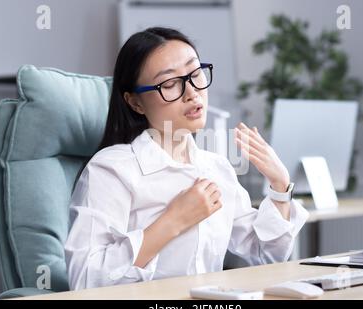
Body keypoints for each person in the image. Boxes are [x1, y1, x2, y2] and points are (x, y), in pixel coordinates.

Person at [65, 27, 309, 290]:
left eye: (195, 75)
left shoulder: (217, 168)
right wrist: (173, 221)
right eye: (169, 84)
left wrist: (280, 185)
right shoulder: (112, 169)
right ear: (135, 102)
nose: (192, 93)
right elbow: (85, 279)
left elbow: (266, 254)